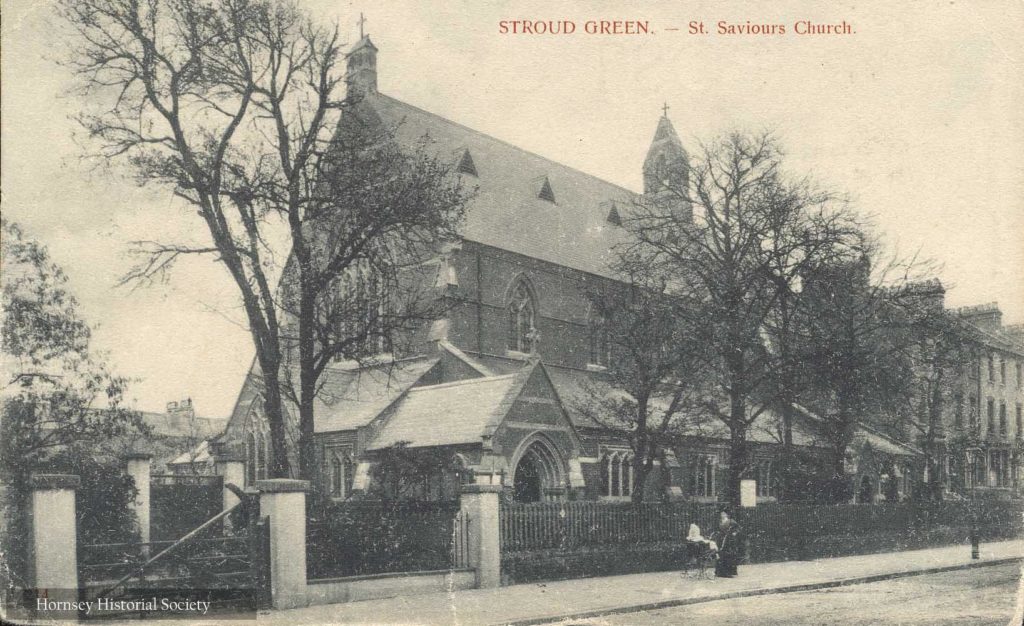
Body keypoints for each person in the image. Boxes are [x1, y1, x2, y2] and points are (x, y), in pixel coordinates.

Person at [712, 509, 743, 578]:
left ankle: (729, 572)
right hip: (721, 540)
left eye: (723, 514)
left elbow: (738, 528)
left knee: (729, 556)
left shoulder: (731, 521)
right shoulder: (720, 522)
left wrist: (735, 533)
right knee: (720, 555)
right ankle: (720, 572)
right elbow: (717, 530)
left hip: (729, 540)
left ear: (726, 515)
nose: (722, 515)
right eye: (721, 514)